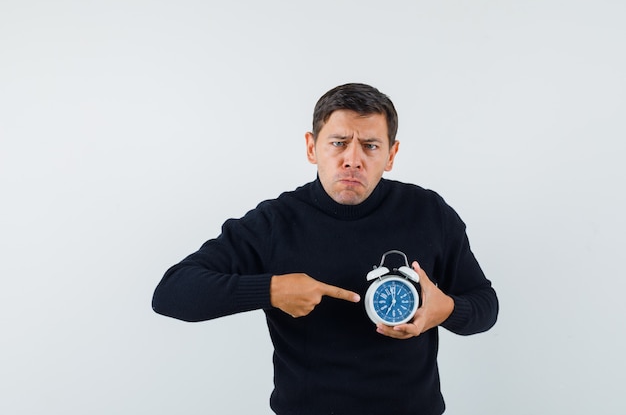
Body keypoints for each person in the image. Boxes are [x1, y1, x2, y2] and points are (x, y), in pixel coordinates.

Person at [152, 83, 498, 415]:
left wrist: (448, 309)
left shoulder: (428, 213)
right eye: (338, 142)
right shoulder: (274, 223)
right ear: (311, 147)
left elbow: (486, 304)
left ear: (391, 154)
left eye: (370, 146)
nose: (352, 159)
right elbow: (172, 292)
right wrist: (271, 290)